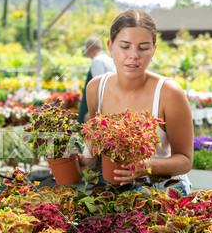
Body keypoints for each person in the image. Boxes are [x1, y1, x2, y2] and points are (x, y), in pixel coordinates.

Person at [81, 10, 193, 196]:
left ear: (154, 50)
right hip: (112, 188)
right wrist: (79, 161)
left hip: (162, 189)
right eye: (125, 46)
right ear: (110, 46)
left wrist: (144, 167)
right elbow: (94, 147)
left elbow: (185, 161)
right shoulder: (96, 88)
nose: (133, 55)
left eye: (143, 48)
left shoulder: (169, 92)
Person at [77, 36, 115, 123]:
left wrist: (91, 111)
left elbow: (98, 86)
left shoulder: (97, 61)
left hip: (96, 106)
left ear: (87, 50)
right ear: (101, 47)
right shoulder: (109, 59)